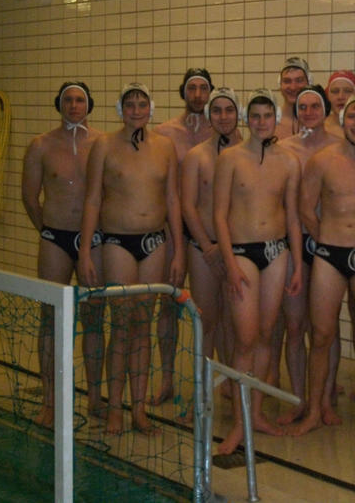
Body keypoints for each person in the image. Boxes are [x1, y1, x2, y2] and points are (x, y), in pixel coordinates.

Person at [78, 82, 185, 435]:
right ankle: (114, 408)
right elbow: (92, 199)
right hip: (117, 243)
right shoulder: (104, 146)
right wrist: (85, 251)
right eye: (130, 104)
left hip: (155, 242)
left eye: (142, 104)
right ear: (120, 109)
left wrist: (179, 251)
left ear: (150, 109)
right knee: (121, 326)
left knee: (143, 326)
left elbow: (172, 201)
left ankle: (138, 410)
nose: (136, 110)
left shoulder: (165, 147)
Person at [290, 94, 355, 441]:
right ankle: (315, 410)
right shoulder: (322, 160)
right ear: (343, 120)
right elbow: (306, 208)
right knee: (320, 336)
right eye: (352, 117)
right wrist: (325, 240)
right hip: (329, 255)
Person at [213, 88, 302, 454]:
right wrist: (230, 262)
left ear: (275, 119)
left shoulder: (289, 162)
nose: (262, 122)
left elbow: (293, 217)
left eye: (268, 116)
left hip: (277, 251)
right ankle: (239, 423)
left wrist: (297, 264)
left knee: (266, 335)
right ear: (247, 120)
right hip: (242, 252)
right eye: (256, 116)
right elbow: (219, 214)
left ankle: (256, 414)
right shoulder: (231, 158)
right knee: (246, 338)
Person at [21, 81, 105, 427]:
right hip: (55, 237)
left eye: (79, 100)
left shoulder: (102, 143)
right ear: (59, 104)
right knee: (50, 319)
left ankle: (95, 399)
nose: (73, 106)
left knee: (94, 319)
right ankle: (50, 399)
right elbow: (29, 196)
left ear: (89, 105)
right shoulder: (41, 145)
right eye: (68, 100)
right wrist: (47, 230)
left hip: (94, 239)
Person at [274, 85, 341, 425]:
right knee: (295, 323)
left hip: (330, 242)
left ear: (326, 110)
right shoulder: (284, 149)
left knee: (327, 328)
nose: (310, 112)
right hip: (294, 241)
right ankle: (299, 398)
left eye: (316, 106)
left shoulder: (341, 146)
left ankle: (324, 398)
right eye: (304, 107)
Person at [150, 67, 214, 406]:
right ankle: (167, 379)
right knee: (168, 304)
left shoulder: (222, 129)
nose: (198, 95)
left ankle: (209, 382)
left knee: (209, 310)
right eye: (193, 88)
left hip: (205, 229)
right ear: (183, 92)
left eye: (204, 88)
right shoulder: (164, 133)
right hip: (173, 229)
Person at [181, 87, 243, 365]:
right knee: (206, 320)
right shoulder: (196, 156)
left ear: (239, 114)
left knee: (234, 322)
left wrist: (226, 247)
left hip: (238, 248)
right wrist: (208, 247)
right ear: (208, 114)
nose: (223, 116)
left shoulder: (249, 153)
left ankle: (230, 382)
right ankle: (202, 384)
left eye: (229, 110)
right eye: (217, 110)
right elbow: (188, 205)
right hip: (202, 248)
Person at [275, 57, 312, 139]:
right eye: (287, 81)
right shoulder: (270, 123)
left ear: (309, 83)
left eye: (299, 80)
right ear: (280, 85)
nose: (293, 87)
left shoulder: (318, 122)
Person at [324, 70, 355, 138]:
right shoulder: (320, 128)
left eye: (347, 91)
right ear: (327, 96)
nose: (340, 97)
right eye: (335, 91)